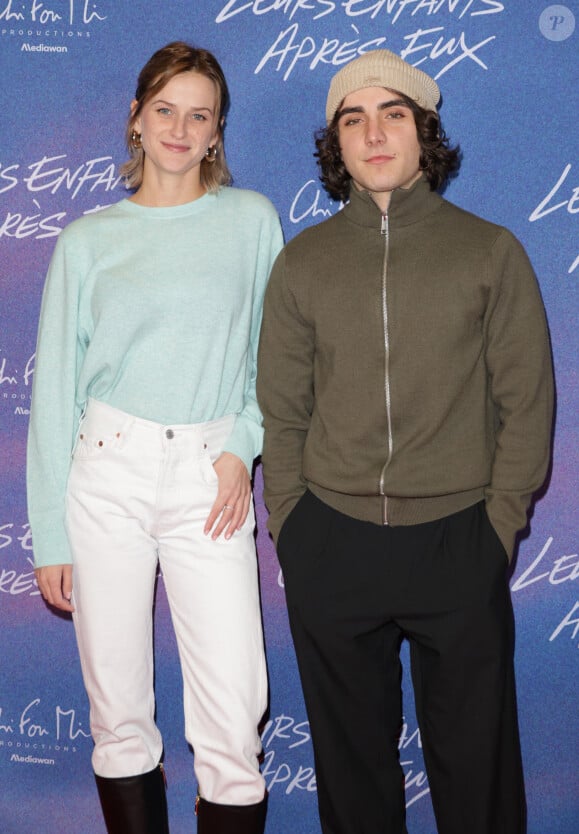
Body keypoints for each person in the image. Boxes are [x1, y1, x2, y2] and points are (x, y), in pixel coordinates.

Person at [257, 49, 553, 834]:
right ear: (337, 144)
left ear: (425, 133)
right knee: (352, 780)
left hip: (460, 540)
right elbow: (281, 412)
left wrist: (497, 527)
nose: (373, 132)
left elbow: (526, 403)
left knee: (478, 774)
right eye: (353, 119)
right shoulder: (301, 264)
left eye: (393, 114)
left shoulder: (490, 252)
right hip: (332, 543)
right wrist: (293, 524)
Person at [27, 41, 282, 834]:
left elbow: (273, 360)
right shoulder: (87, 241)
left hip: (213, 475)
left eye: (198, 114)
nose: (180, 127)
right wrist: (50, 537)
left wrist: (243, 445)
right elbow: (57, 394)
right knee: (119, 709)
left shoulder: (251, 221)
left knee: (236, 710)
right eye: (164, 109)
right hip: (107, 475)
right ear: (135, 120)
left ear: (217, 133)